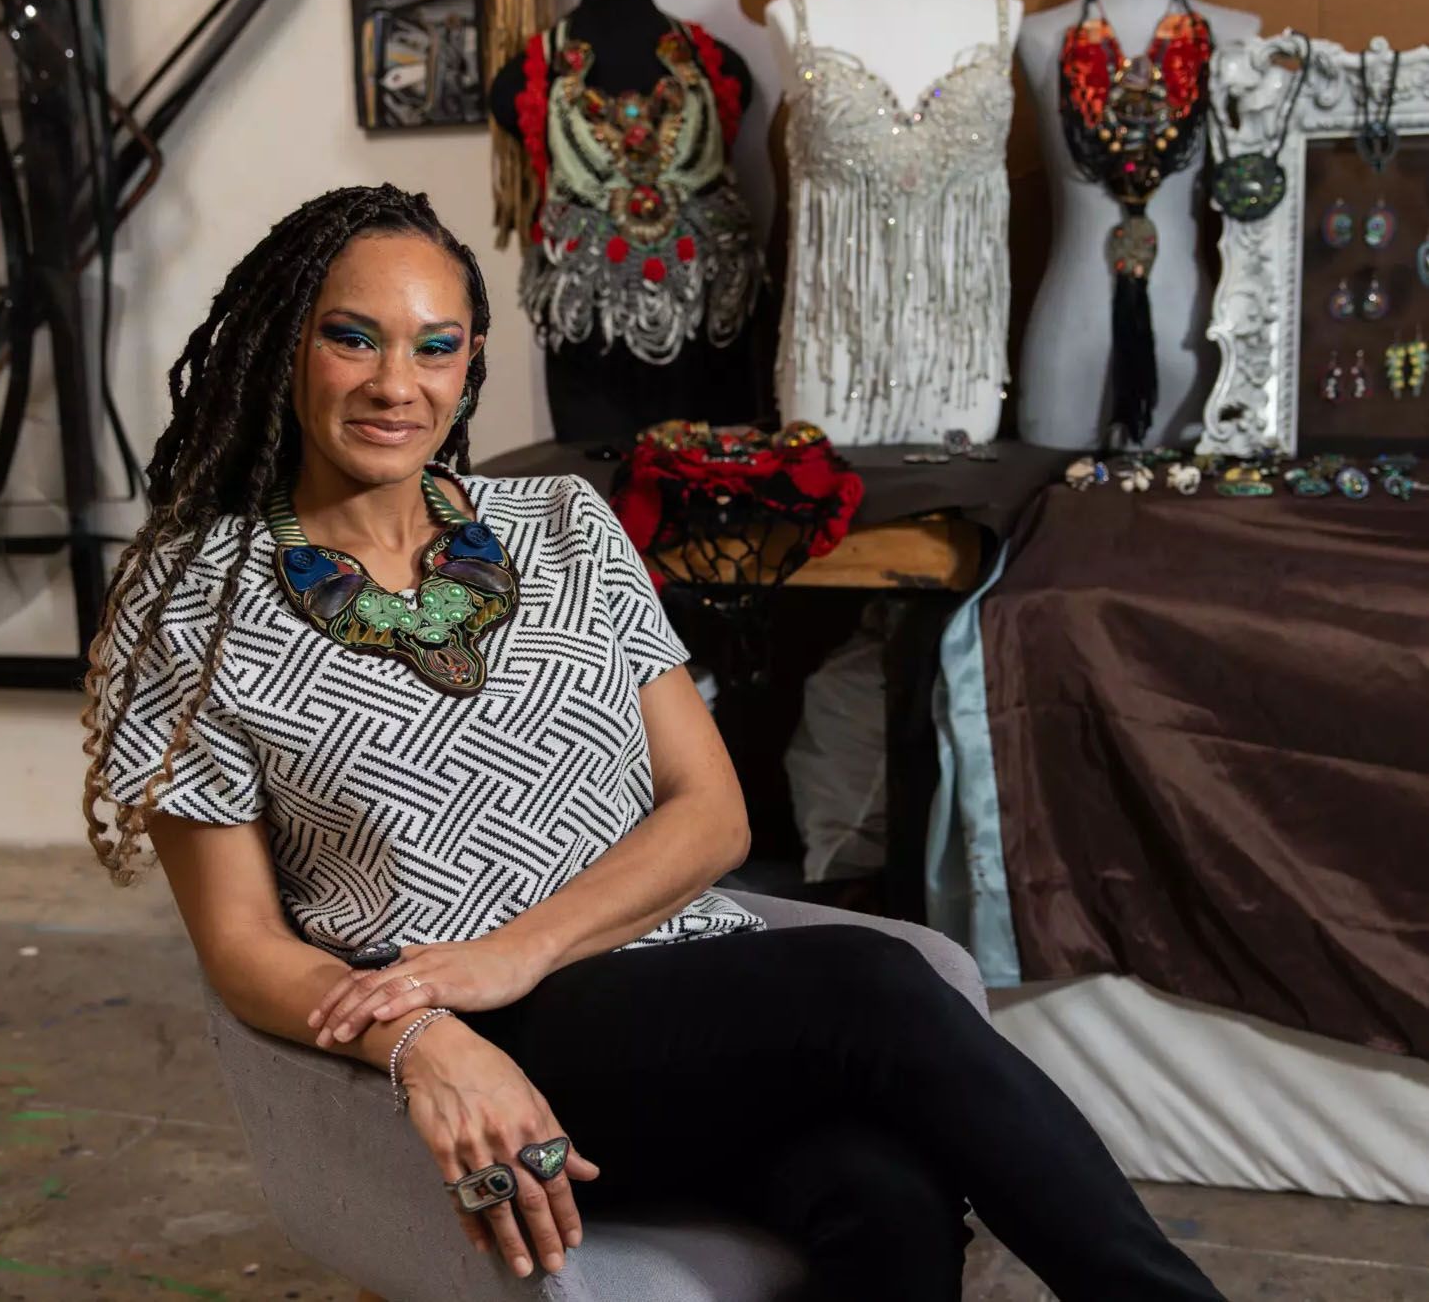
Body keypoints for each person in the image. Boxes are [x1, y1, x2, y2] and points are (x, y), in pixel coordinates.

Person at [80, 183, 1223, 1300]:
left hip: (669, 991)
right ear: (288, 345)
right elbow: (239, 943)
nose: (396, 384)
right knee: (868, 982)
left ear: (469, 363)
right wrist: (425, 1033)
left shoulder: (563, 524)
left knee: (886, 1194)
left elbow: (710, 811)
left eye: (435, 347)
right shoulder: (192, 597)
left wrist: (520, 945)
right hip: (483, 1032)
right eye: (352, 339)